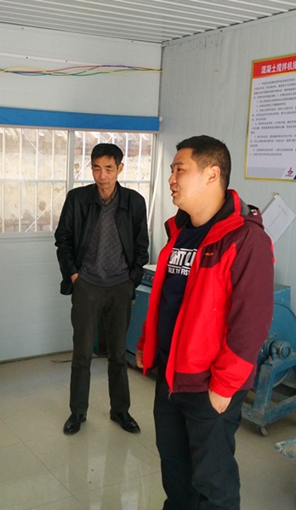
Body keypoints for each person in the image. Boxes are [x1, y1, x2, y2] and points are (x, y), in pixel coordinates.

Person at [136, 135, 273, 509]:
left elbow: (251, 322)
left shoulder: (245, 239)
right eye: (172, 170)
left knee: (213, 484)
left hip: (208, 384)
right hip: (170, 376)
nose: (171, 179)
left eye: (179, 169)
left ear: (212, 174)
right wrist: (148, 344)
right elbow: (168, 300)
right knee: (175, 473)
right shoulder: (180, 231)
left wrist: (225, 386)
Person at [55, 143, 149, 435]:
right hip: (87, 286)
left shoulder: (134, 202)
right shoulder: (78, 199)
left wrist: (131, 279)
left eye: (109, 168)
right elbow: (63, 240)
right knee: (82, 353)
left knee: (118, 355)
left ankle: (120, 411)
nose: (102, 175)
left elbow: (142, 246)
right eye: (96, 168)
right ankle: (77, 412)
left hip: (120, 286)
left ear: (120, 168)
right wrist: (73, 275)